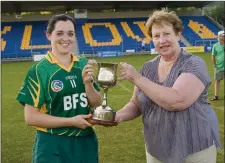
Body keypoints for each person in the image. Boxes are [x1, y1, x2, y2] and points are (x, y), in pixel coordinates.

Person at [116, 10, 222, 163]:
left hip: (194, 150)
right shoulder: (147, 67)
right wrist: (118, 115)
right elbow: (136, 104)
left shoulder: (193, 63)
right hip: (156, 149)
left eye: (166, 34)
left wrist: (137, 78)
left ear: (178, 35)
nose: (162, 40)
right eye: (156, 36)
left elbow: (177, 101)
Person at [16, 14, 101, 163]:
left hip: (85, 141)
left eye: (70, 33)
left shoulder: (84, 64)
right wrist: (71, 121)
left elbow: (97, 103)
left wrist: (88, 84)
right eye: (59, 33)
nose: (66, 38)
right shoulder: (38, 70)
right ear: (49, 35)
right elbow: (31, 118)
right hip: (52, 144)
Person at [210, 30, 224, 101]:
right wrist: (214, 65)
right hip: (219, 67)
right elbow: (213, 56)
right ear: (219, 37)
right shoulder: (215, 45)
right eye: (222, 36)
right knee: (217, 81)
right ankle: (216, 96)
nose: (223, 37)